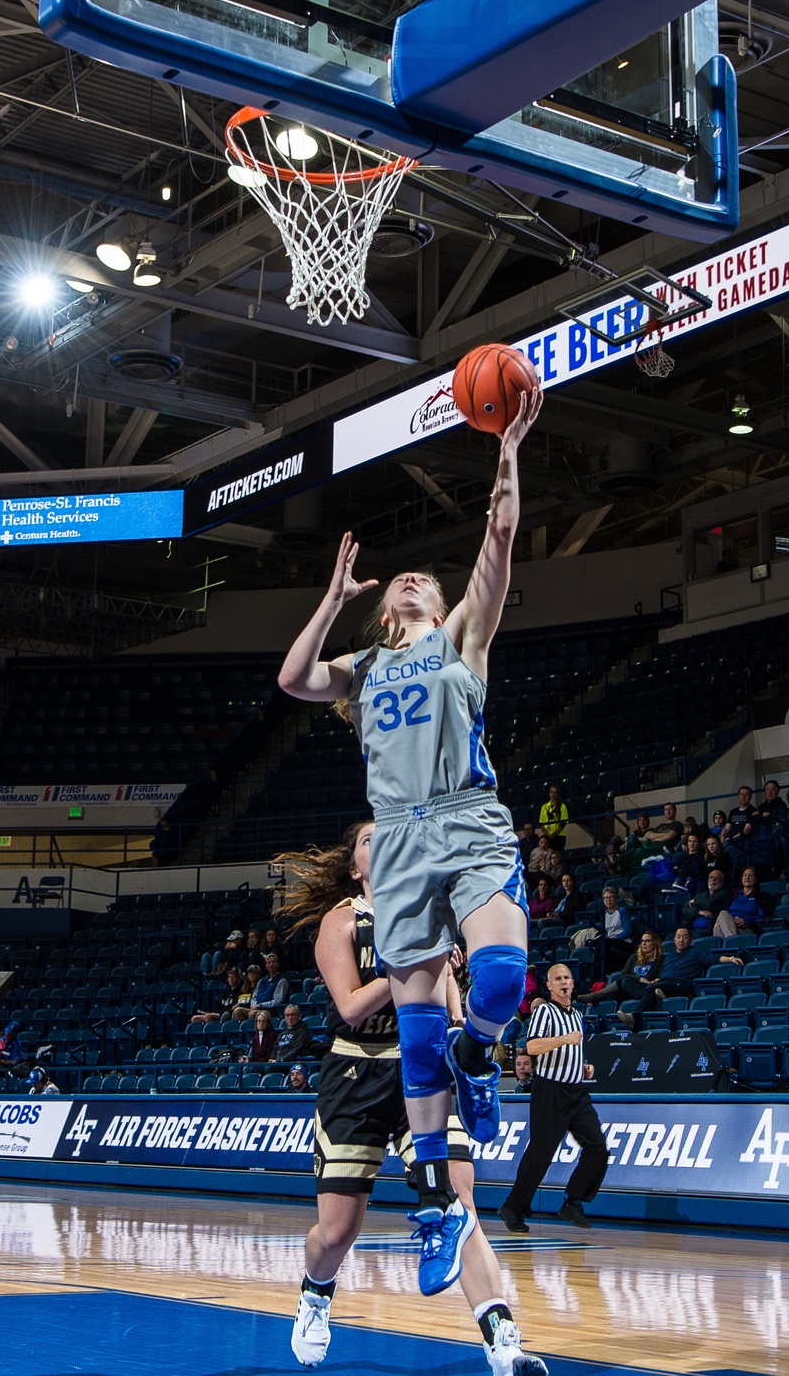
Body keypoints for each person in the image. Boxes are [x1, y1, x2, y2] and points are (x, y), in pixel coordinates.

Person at [278, 382, 543, 1296]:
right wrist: (330, 597)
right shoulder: (365, 667)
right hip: (395, 843)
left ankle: (482, 1062)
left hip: (466, 820)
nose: (412, 578)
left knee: (501, 980)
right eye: (400, 581)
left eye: (421, 578)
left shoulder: (462, 639)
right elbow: (294, 677)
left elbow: (500, 538)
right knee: (419, 1031)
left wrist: (506, 445)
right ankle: (434, 1201)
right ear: (384, 609)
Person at [281, 822, 547, 1376]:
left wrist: (459, 1027)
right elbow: (351, 1006)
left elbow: (450, 1006)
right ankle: (316, 1291)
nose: (384, 842)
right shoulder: (341, 921)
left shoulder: (431, 915)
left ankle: (504, 1343)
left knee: (460, 1204)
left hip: (420, 1068)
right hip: (356, 1073)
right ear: (355, 867)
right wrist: (410, 963)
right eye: (368, 840)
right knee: (337, 1232)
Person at [498, 963, 607, 1234]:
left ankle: (572, 1201)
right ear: (549, 985)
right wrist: (563, 1040)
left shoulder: (577, 1015)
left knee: (598, 1147)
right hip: (550, 1090)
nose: (563, 982)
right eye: (557, 978)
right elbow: (532, 1046)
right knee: (541, 1153)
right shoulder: (544, 1011)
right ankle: (513, 1206)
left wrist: (582, 1065)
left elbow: (570, 1050)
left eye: (567, 977)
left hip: (577, 1091)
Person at [616, 927, 744, 1029]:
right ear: (674, 940)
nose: (681, 940)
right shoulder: (669, 956)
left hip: (678, 985)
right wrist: (655, 981)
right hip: (662, 983)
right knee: (626, 982)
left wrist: (731, 959)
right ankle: (654, 995)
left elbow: (713, 959)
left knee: (653, 988)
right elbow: (663, 973)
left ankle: (634, 1017)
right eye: (678, 937)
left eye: (685, 937)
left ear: (690, 940)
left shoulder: (695, 952)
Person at [580, 930, 663, 1007]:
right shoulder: (634, 957)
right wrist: (639, 979)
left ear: (655, 943)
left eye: (648, 941)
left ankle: (594, 996)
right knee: (617, 993)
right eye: (642, 941)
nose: (644, 944)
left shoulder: (660, 960)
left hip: (646, 987)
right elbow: (624, 974)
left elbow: (660, 978)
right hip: (631, 986)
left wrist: (651, 982)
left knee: (624, 982)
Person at [570, 887, 632, 969]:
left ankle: (601, 969)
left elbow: (627, 931)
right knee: (590, 942)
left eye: (610, 897)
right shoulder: (605, 914)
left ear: (616, 899)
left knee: (602, 943)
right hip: (609, 940)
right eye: (606, 898)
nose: (608, 900)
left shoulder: (621, 911)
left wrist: (615, 937)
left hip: (623, 941)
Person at [714, 867, 772, 937]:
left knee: (719, 925)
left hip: (747, 928)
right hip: (730, 924)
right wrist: (733, 920)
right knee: (722, 916)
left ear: (756, 879)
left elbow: (762, 917)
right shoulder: (733, 894)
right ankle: (732, 942)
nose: (747, 877)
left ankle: (729, 943)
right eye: (745, 875)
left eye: (750, 875)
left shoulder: (760, 896)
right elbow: (726, 911)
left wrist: (745, 920)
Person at [681, 868, 732, 935]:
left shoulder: (724, 894)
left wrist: (695, 901)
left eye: (717, 878)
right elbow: (685, 910)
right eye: (711, 877)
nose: (713, 880)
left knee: (698, 935)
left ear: (722, 882)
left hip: (710, 927)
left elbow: (709, 903)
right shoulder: (701, 895)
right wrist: (698, 912)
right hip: (690, 927)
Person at [537, 784, 568, 850]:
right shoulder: (544, 807)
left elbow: (563, 823)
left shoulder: (562, 806)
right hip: (547, 836)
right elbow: (541, 823)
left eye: (555, 792)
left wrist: (553, 834)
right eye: (551, 792)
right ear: (549, 793)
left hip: (559, 836)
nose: (553, 794)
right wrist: (547, 835)